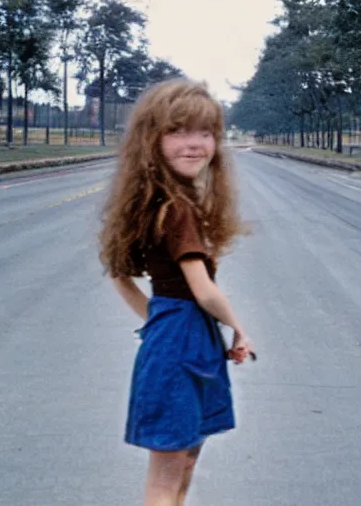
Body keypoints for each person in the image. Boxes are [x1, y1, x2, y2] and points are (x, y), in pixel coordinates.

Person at [98, 78, 255, 506]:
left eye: (205, 133)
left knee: (181, 467)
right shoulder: (176, 209)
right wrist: (239, 329)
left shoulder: (158, 202)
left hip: (180, 338)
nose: (195, 144)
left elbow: (118, 275)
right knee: (166, 480)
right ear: (153, 139)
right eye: (178, 131)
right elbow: (203, 291)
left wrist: (158, 320)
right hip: (183, 342)